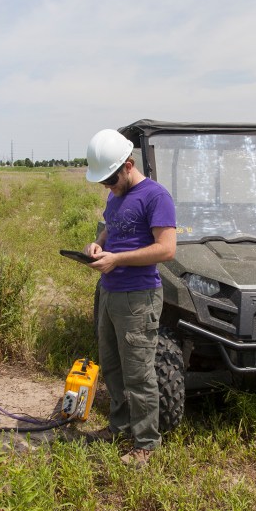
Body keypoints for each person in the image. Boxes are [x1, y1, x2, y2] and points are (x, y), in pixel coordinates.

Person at [83, 128, 176, 467]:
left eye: (111, 178)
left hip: (139, 297)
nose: (107, 186)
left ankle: (146, 444)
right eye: (103, 181)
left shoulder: (156, 196)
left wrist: (117, 259)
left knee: (139, 373)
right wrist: (99, 246)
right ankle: (119, 426)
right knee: (112, 366)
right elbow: (112, 227)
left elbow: (166, 249)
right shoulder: (115, 195)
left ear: (128, 165)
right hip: (110, 293)